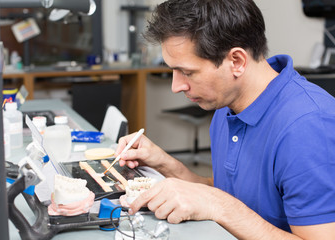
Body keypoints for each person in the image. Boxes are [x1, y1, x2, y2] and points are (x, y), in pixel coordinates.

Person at [115, 0, 335, 238]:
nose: (176, 86)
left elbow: (223, 204)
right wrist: (165, 164)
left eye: (187, 72)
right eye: (173, 71)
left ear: (237, 61)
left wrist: (219, 205)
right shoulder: (227, 104)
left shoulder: (308, 126)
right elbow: (230, 195)